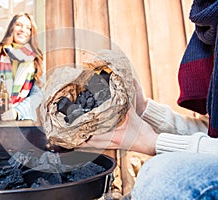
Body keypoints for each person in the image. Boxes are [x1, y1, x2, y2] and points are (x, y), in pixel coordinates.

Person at [81, 0, 218, 199]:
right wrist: (144, 108)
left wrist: (154, 142)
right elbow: (211, 137)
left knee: (164, 176)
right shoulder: (209, 23)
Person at [0, 12, 44, 126]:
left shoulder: (36, 59)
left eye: (28, 28)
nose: (23, 30)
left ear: (31, 33)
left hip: (23, 117)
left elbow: (37, 96)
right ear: (11, 28)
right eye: (19, 25)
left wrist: (16, 112)